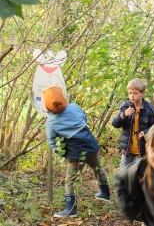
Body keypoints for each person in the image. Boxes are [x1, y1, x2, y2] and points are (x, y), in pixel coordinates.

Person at [43, 86, 110, 218]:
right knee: (98, 169)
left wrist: (63, 153)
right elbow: (84, 119)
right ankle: (105, 193)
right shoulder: (73, 107)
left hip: (75, 154)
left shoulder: (50, 121)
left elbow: (52, 142)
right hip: (91, 146)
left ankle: (71, 209)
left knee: (70, 179)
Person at [112, 79, 154, 168]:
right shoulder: (125, 107)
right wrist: (124, 115)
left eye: (135, 93)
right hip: (127, 149)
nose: (132, 95)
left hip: (142, 150)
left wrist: (146, 132)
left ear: (143, 93)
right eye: (130, 93)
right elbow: (115, 124)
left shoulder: (150, 110)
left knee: (140, 172)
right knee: (123, 173)